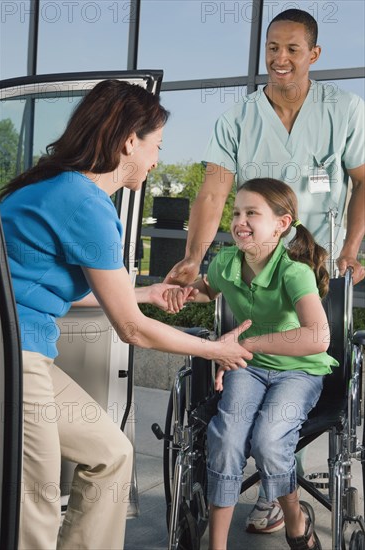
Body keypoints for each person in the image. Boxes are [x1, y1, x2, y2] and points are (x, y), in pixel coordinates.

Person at [0, 80, 253, 550]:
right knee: (32, 497)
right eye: (157, 145)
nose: (157, 159)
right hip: (14, 353)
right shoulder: (84, 203)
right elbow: (131, 330)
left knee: (111, 454)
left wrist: (144, 292)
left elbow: (43, 284)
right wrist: (214, 348)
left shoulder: (59, 187)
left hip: (22, 347)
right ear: (128, 141)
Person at [165, 8, 365, 532]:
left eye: (292, 49)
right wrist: (193, 256)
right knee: (253, 381)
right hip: (257, 263)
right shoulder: (239, 117)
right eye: (272, 48)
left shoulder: (344, 110)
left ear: (314, 54)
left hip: (319, 269)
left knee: (303, 366)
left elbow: (364, 180)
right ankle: (273, 489)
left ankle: (277, 486)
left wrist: (351, 249)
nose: (280, 58)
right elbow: (213, 190)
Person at [164, 177, 339, 550]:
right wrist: (180, 291)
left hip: (298, 370)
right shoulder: (227, 261)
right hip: (249, 366)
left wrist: (246, 342)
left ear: (282, 224)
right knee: (226, 439)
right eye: (237, 212)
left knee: (269, 441)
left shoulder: (295, 271)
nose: (240, 220)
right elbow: (208, 289)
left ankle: (294, 520)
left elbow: (318, 336)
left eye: (251, 213)